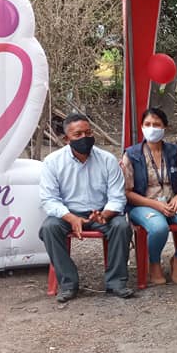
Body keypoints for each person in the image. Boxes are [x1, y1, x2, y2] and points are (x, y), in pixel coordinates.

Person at [39, 112, 134, 302]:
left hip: (101, 212)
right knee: (49, 228)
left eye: (88, 133)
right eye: (78, 134)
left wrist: (105, 214)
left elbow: (117, 197)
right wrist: (71, 217)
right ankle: (68, 284)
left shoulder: (107, 160)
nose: (85, 138)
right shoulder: (52, 162)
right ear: (66, 139)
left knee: (121, 226)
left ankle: (116, 282)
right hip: (68, 213)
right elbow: (49, 199)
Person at [122, 107, 177, 285]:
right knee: (159, 227)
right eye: (147, 124)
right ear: (142, 127)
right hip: (143, 205)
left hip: (173, 202)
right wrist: (155, 205)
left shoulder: (175, 152)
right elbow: (127, 192)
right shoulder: (132, 155)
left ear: (164, 127)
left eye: (156, 124)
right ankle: (154, 263)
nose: (151, 128)